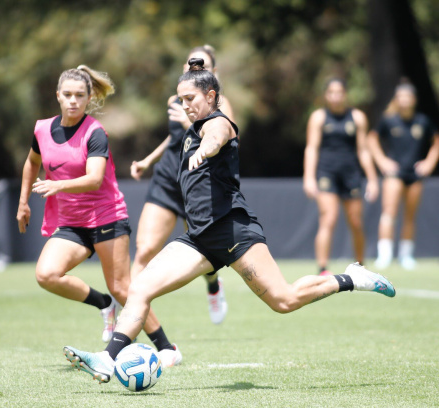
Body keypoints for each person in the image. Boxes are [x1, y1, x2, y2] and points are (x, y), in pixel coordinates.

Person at [62, 58, 395, 383]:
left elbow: (217, 135)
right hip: (199, 239)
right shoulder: (191, 130)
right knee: (140, 289)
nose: (186, 105)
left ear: (211, 97)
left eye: (191, 98)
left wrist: (204, 150)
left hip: (234, 231)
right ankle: (107, 359)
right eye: (181, 100)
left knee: (284, 300)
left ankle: (353, 278)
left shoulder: (217, 123)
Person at [17, 65, 182, 365]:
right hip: (72, 223)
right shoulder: (42, 129)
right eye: (67, 95)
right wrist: (23, 203)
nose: (73, 101)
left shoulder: (95, 132)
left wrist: (57, 184)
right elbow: (31, 163)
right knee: (46, 275)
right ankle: (103, 304)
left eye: (80, 95)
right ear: (57, 96)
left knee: (122, 287)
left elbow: (94, 179)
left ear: (89, 97)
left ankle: (167, 347)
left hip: (107, 217)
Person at [130, 45, 234, 325]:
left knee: (204, 253)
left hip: (201, 185)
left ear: (214, 74)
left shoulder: (221, 106)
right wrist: (148, 160)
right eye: (191, 66)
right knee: (144, 250)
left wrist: (203, 134)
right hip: (167, 178)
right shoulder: (177, 100)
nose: (195, 70)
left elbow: (226, 134)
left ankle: (212, 285)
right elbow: (174, 138)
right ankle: (128, 319)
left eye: (203, 67)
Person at [303, 78, 379, 275]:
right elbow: (312, 148)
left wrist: (372, 178)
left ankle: (360, 266)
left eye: (339, 92)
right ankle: (323, 268)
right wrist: (309, 177)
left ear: (345, 94)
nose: (336, 96)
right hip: (326, 173)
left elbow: (363, 150)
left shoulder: (357, 117)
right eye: (332, 92)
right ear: (326, 95)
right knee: (328, 218)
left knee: (356, 222)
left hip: (351, 174)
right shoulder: (319, 117)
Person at [367, 82, 439, 270]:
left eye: (408, 96)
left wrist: (429, 162)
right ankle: (385, 255)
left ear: (414, 100)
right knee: (389, 213)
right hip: (394, 174)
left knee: (410, 215)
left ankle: (406, 255)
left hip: (414, 174)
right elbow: (372, 139)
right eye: (401, 96)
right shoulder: (389, 120)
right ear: (397, 99)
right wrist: (382, 161)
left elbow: (436, 142)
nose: (405, 100)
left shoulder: (422, 121)